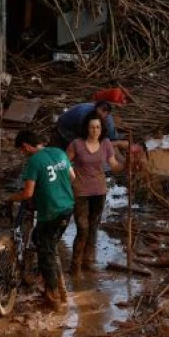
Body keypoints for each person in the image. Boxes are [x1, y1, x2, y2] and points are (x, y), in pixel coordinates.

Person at [9, 130, 75, 307]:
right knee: (46, 243)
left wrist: (10, 198)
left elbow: (27, 193)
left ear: (25, 146)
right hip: (68, 207)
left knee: (46, 252)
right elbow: (72, 176)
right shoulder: (59, 152)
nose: (22, 154)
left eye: (21, 150)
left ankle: (53, 297)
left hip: (51, 211)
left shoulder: (34, 161)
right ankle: (60, 288)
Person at [66, 112, 125, 274]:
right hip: (80, 191)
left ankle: (88, 261)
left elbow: (114, 166)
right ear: (86, 128)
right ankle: (75, 265)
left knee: (93, 227)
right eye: (92, 127)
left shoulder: (106, 144)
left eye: (98, 127)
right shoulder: (76, 144)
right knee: (82, 228)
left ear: (102, 128)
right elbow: (64, 163)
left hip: (99, 191)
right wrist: (71, 178)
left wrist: (126, 164)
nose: (95, 130)